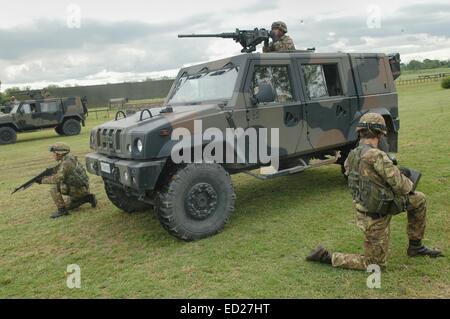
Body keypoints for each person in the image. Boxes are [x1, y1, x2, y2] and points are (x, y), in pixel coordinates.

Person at [306, 113, 443, 270]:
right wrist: (402, 174)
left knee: (419, 199)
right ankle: (327, 257)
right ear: (380, 134)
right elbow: (405, 187)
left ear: (360, 131)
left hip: (369, 208)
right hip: (376, 217)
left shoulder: (351, 155)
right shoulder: (376, 155)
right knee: (375, 265)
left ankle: (416, 247)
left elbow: (365, 177)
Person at [40, 142, 97, 219]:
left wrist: (42, 180)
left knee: (54, 187)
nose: (53, 155)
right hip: (81, 188)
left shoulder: (67, 162)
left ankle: (62, 210)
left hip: (79, 189)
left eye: (54, 153)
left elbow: (57, 179)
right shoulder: (69, 157)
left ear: (59, 154)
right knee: (70, 205)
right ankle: (88, 198)